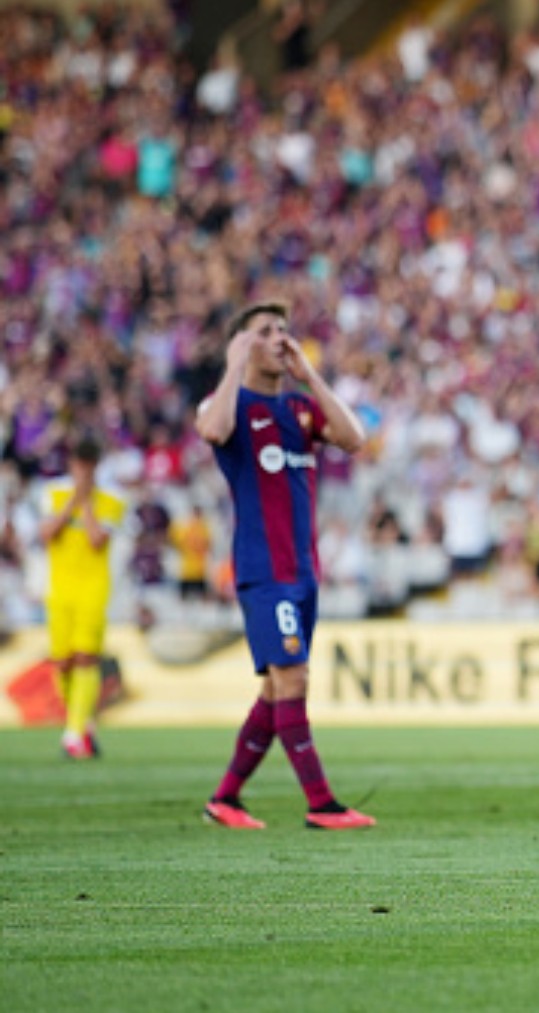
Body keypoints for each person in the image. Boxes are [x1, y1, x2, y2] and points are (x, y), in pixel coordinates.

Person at [195, 301, 375, 831]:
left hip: (304, 571)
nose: (280, 339)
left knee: (276, 690)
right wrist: (234, 363)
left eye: (284, 330)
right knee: (293, 677)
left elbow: (354, 438)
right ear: (242, 344)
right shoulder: (231, 402)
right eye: (265, 332)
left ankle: (225, 799)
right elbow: (210, 430)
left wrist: (311, 373)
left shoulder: (300, 408)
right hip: (263, 570)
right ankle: (321, 803)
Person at [41, 436, 127, 759]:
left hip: (93, 586)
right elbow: (47, 533)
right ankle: (84, 723)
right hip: (59, 587)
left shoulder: (112, 498)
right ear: (71, 464)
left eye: (89, 467)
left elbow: (96, 540)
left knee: (85, 657)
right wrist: (72, 502)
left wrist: (87, 501)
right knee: (61, 662)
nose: (84, 473)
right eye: (79, 466)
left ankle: (73, 735)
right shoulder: (53, 492)